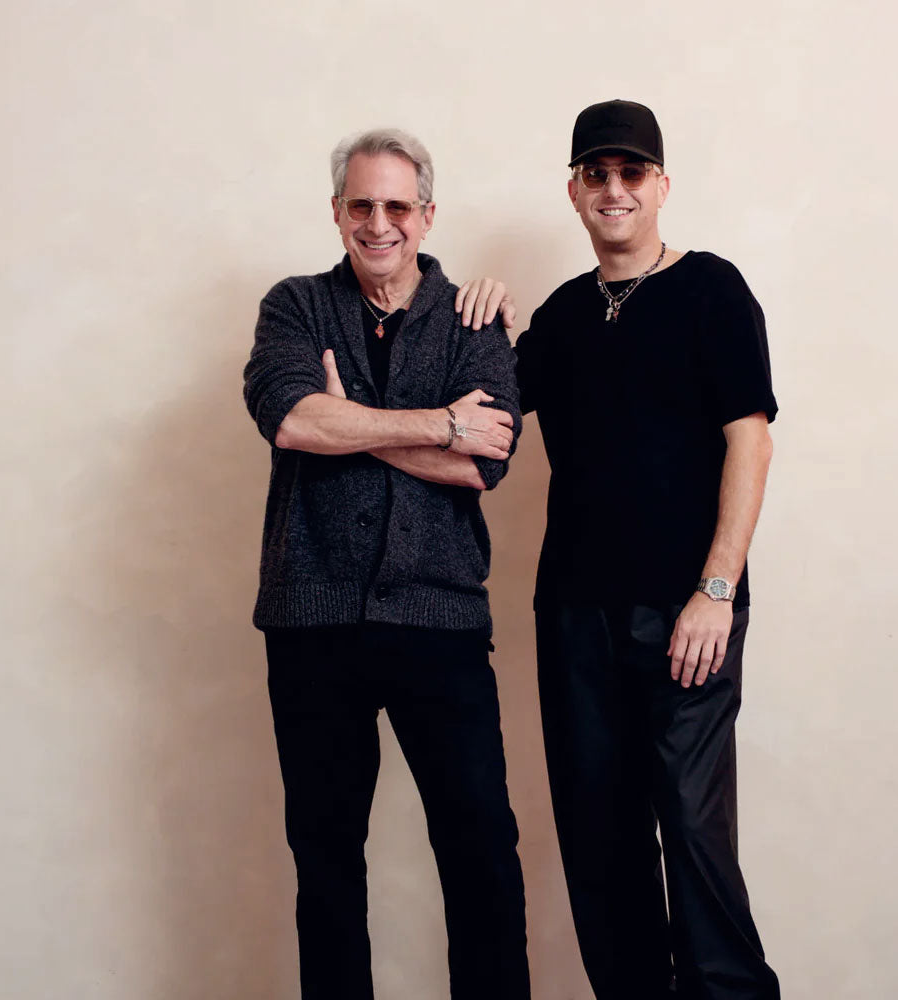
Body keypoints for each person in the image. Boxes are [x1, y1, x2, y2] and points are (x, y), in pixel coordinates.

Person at [484, 98, 782, 999]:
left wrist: (717, 589)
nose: (614, 191)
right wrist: (464, 317)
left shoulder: (712, 289)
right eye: (596, 174)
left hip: (686, 609)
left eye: (632, 174)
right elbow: (485, 418)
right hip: (574, 612)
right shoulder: (564, 315)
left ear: (660, 186)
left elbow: (751, 438)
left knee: (692, 831)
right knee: (598, 836)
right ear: (574, 190)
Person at [242, 127, 529, 1000]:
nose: (380, 224)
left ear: (427, 215)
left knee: (480, 847)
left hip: (438, 617)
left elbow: (487, 461)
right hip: (311, 623)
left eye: (397, 206)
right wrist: (438, 421)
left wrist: (352, 419)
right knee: (326, 860)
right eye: (361, 205)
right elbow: (293, 421)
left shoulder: (474, 319)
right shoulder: (292, 306)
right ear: (337, 213)